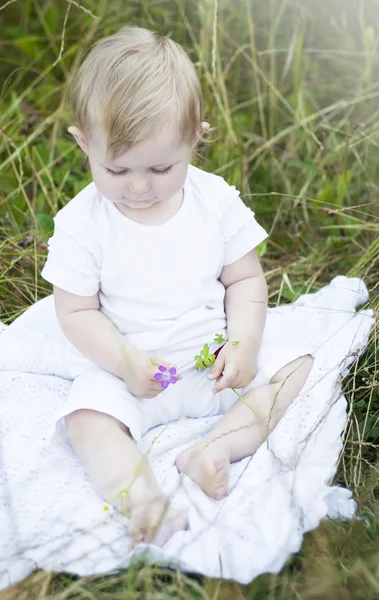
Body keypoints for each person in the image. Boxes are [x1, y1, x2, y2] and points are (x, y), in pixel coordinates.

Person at [41, 26, 313, 547]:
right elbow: (75, 312)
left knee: (296, 367)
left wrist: (245, 344)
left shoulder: (215, 202)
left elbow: (246, 278)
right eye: (116, 168)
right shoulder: (82, 223)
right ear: (83, 143)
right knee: (85, 420)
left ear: (195, 138)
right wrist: (123, 361)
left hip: (213, 366)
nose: (139, 187)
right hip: (130, 375)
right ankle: (142, 499)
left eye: (161, 167)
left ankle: (214, 447)